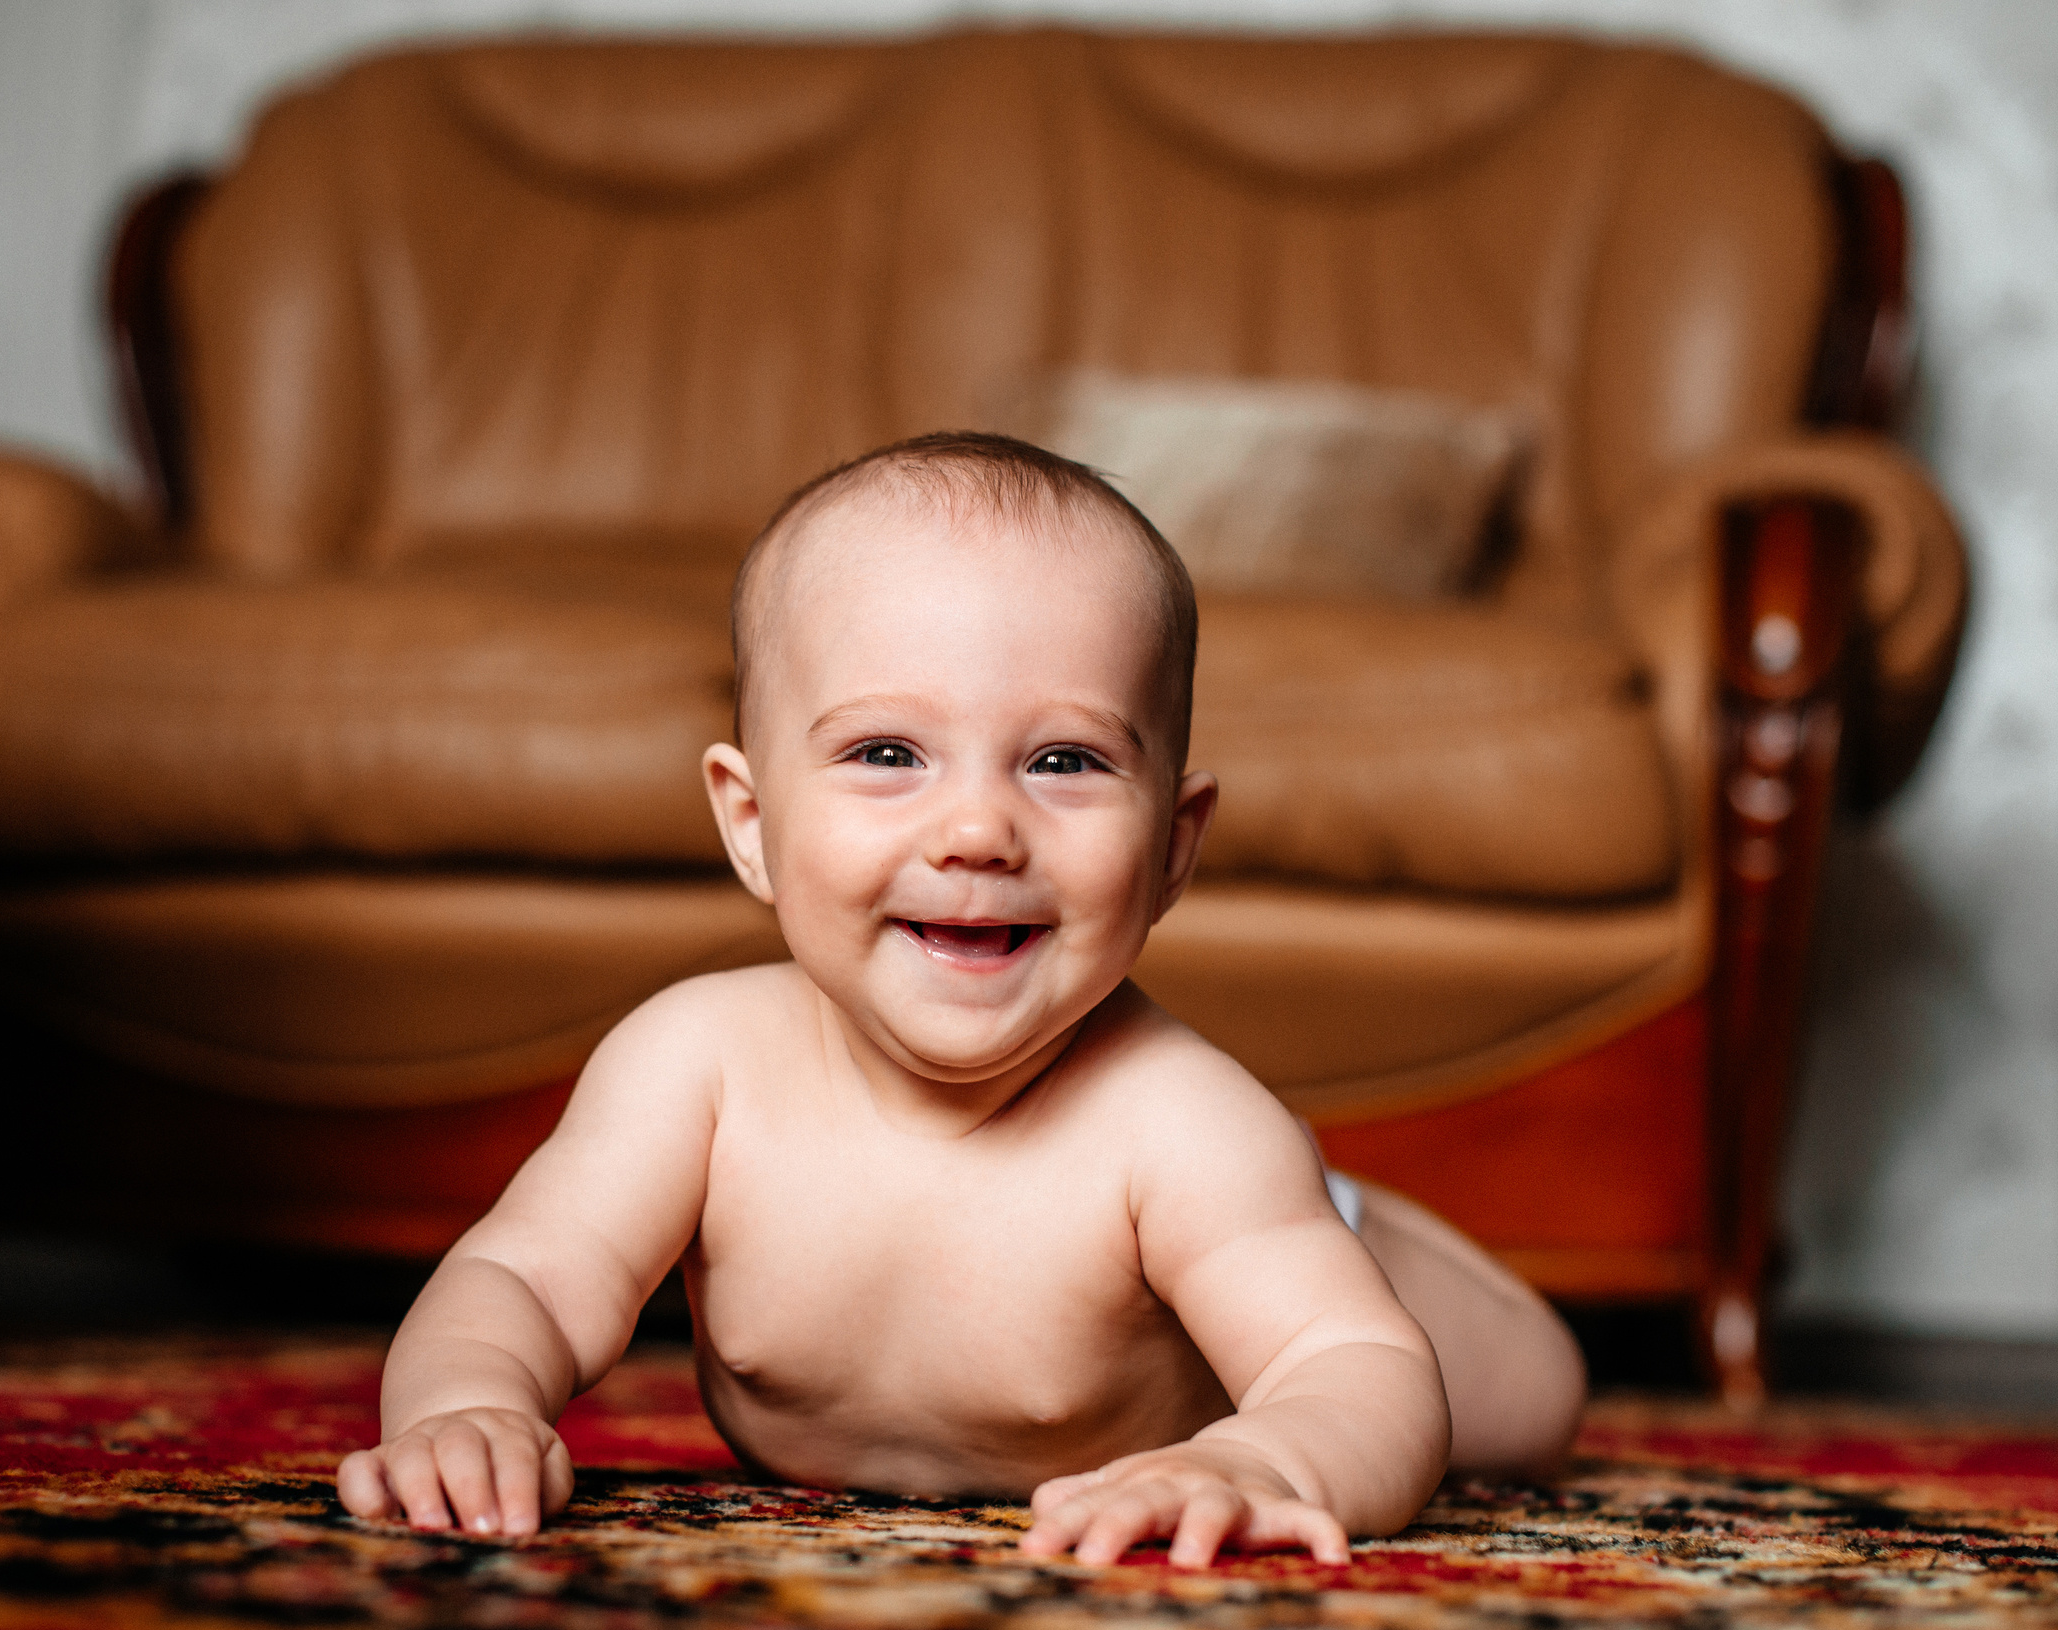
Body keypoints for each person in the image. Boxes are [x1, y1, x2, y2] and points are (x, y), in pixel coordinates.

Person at [338, 432, 1587, 1567]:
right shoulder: (697, 1064)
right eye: (887, 753)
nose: (979, 827)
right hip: (1237, 1218)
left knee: (1527, 1398)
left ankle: (1347, 1219)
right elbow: (527, 1275)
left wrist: (1260, 1458)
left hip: (1295, 1252)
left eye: (1065, 760)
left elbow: (1350, 1365)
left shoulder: (1178, 1122)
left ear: (1171, 849)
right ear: (753, 823)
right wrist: (468, 1401)